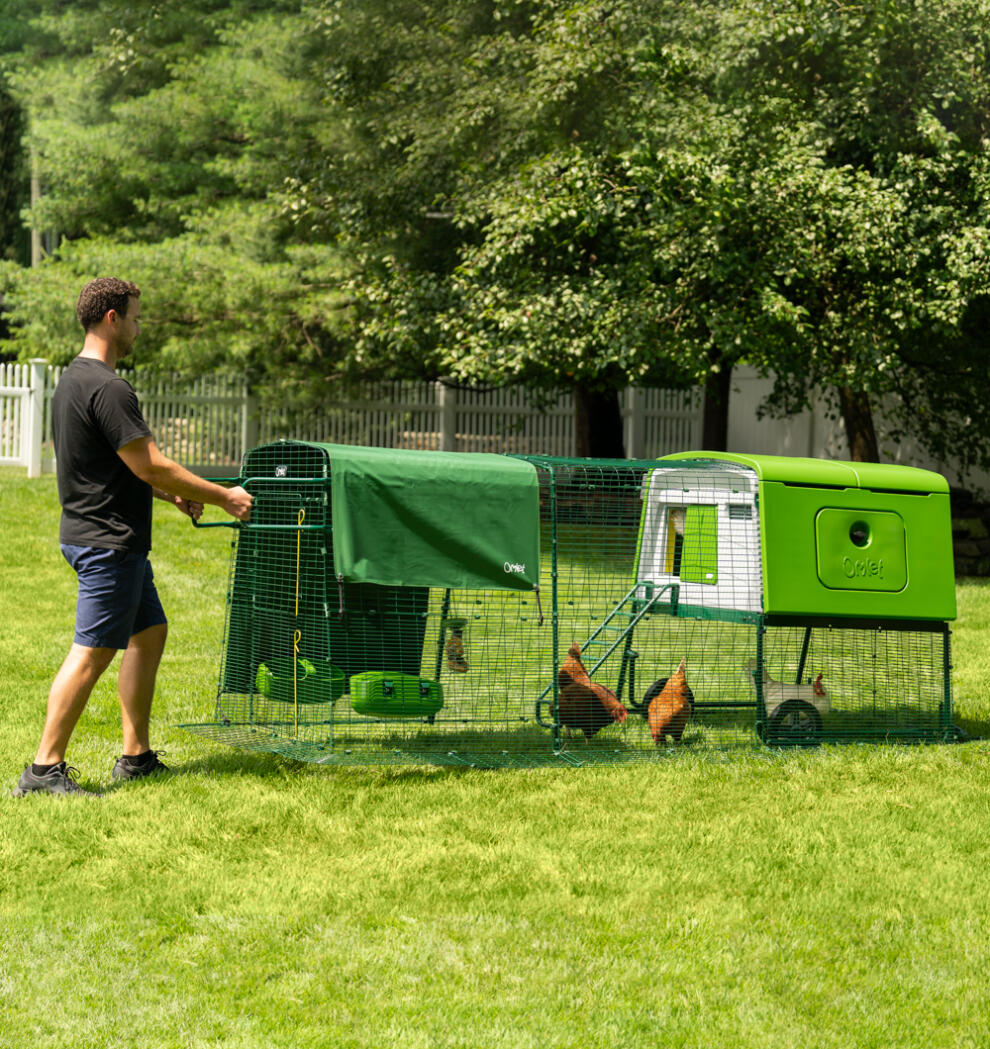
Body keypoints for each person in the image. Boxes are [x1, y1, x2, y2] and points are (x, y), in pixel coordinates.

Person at [12, 278, 253, 797]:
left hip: (97, 534)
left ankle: (136, 756)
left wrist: (171, 496)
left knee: (150, 633)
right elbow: (150, 463)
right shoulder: (109, 388)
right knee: (92, 652)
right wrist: (222, 496)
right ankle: (43, 770)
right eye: (136, 318)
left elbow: (114, 465)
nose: (140, 329)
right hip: (108, 542)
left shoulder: (72, 381)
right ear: (112, 318)